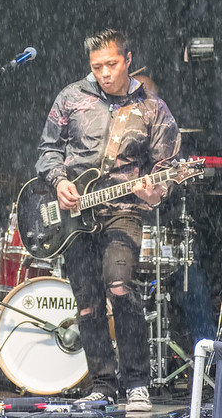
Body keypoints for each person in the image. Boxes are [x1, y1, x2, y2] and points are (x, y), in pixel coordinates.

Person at [35, 28, 180, 413]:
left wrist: (157, 190)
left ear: (128, 60)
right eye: (97, 66)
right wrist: (59, 179)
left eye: (112, 64)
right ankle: (101, 384)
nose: (104, 73)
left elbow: (166, 168)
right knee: (86, 302)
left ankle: (136, 383)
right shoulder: (71, 97)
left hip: (125, 208)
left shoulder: (152, 108)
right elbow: (47, 149)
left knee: (118, 286)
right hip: (73, 215)